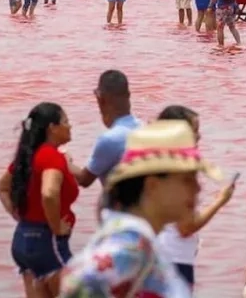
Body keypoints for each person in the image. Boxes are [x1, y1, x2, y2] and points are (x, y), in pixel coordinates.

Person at [59, 121, 222, 297]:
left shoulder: (142, 246)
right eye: (187, 180)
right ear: (153, 186)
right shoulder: (128, 251)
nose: (198, 188)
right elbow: (80, 283)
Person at [0, 103, 78, 298]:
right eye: (66, 121)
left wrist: (18, 215)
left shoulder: (26, 157)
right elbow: (49, 193)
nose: (71, 126)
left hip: (22, 240)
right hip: (48, 243)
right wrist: (56, 226)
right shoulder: (51, 157)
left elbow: (2, 187)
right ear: (53, 128)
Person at [155, 105, 235, 291]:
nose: (199, 137)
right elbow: (186, 227)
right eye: (194, 131)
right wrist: (220, 200)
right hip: (175, 260)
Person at [71, 70, 142, 190]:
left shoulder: (110, 139)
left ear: (101, 99)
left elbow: (84, 179)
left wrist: (62, 159)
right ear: (128, 95)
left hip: (119, 207)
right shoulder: (144, 128)